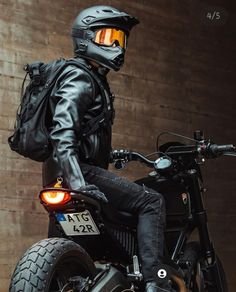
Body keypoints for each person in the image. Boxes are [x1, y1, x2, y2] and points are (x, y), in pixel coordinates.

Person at [42, 5, 169, 292]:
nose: (115, 45)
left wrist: (109, 154)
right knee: (152, 201)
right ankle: (155, 282)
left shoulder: (84, 75)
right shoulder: (81, 77)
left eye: (120, 39)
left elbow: (80, 132)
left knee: (65, 248)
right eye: (108, 36)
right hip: (78, 172)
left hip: (59, 172)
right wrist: (78, 181)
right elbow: (62, 132)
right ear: (85, 38)